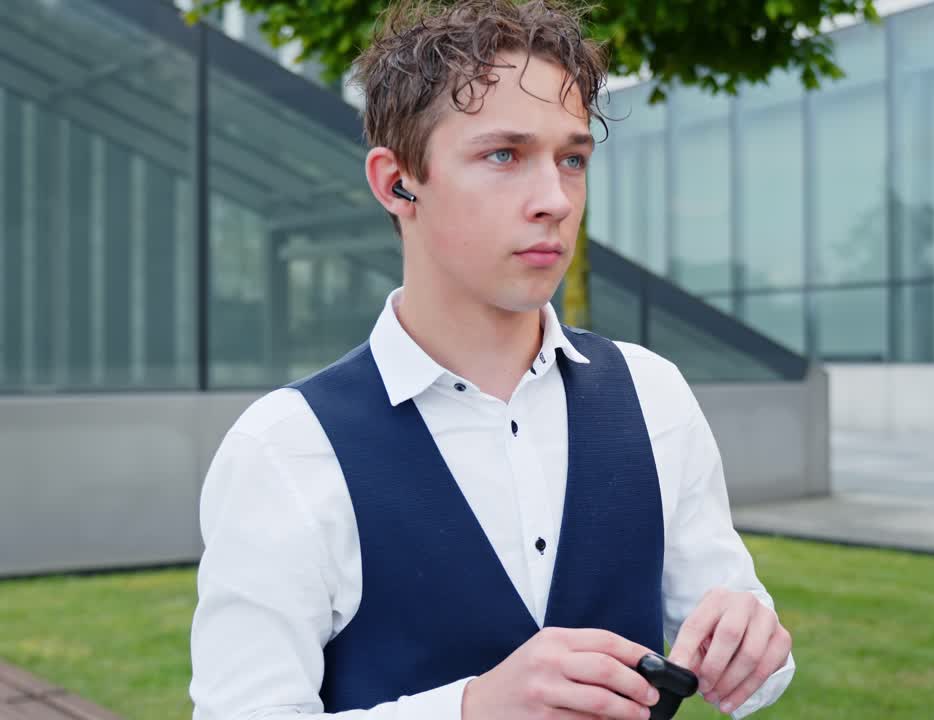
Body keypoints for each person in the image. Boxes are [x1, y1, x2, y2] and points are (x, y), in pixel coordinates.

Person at [189, 1, 795, 718]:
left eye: (572, 159)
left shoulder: (653, 395)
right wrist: (470, 709)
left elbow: (745, 661)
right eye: (504, 155)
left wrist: (754, 642)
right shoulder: (284, 450)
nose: (554, 199)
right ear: (396, 182)